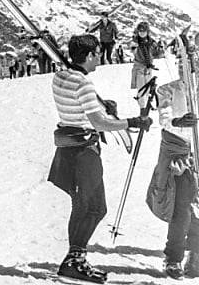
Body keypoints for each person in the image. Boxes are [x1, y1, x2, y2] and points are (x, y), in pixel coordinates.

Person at [48, 34, 151, 283]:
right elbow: (99, 123)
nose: (100, 59)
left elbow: (81, 105)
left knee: (81, 205)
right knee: (95, 207)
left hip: (67, 149)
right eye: (97, 55)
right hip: (84, 151)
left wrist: (101, 104)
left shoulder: (61, 76)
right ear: (91, 55)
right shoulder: (83, 84)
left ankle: (75, 259)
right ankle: (74, 260)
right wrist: (133, 121)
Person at [147, 38, 199, 279]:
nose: (184, 68)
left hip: (197, 152)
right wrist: (178, 122)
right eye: (180, 63)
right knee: (181, 207)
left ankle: (196, 256)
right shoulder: (167, 89)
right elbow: (165, 115)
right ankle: (173, 257)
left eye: (189, 63)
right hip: (177, 152)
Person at [132, 22, 159, 89]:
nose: (142, 32)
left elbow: (157, 52)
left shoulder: (151, 41)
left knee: (148, 88)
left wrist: (160, 49)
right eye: (140, 31)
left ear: (147, 31)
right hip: (139, 68)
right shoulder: (136, 41)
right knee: (141, 89)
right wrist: (135, 47)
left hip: (148, 68)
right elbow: (133, 50)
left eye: (144, 31)